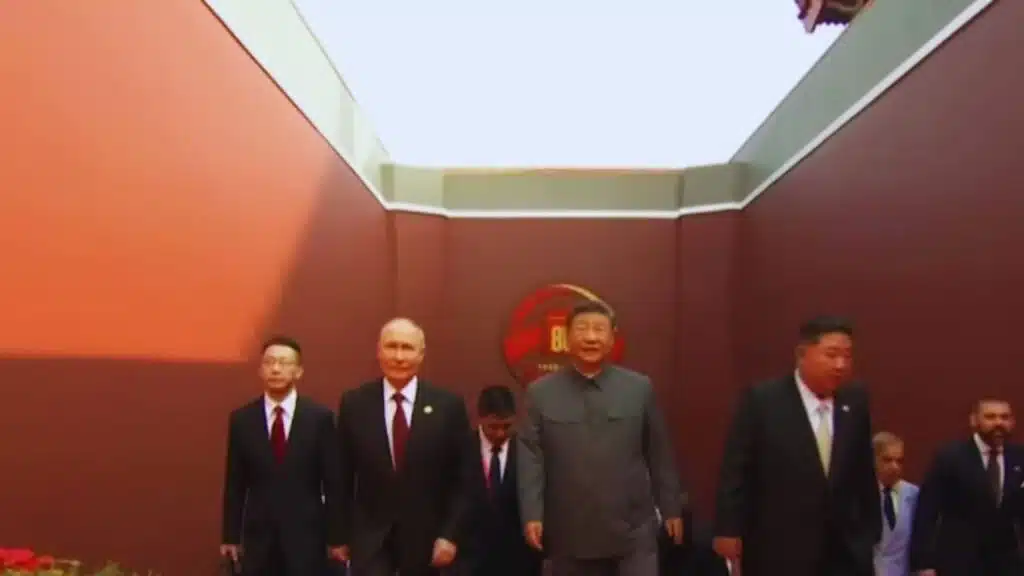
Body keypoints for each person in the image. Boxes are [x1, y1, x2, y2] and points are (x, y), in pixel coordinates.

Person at [517, 299, 685, 576]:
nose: (591, 337)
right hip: (570, 531)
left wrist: (671, 507)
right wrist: (532, 514)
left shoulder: (638, 387)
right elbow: (531, 459)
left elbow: (659, 452)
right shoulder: (540, 393)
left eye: (599, 329)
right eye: (582, 329)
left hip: (633, 530)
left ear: (611, 339)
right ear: (566, 337)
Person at [713, 316, 880, 576]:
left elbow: (863, 471)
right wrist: (728, 529)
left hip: (845, 550)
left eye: (847, 356)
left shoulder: (855, 401)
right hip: (779, 546)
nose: (840, 365)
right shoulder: (763, 402)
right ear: (802, 354)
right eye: (831, 355)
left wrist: (871, 531)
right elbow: (736, 470)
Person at [334, 318, 475, 576]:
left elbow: (463, 479)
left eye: (407, 348)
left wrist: (450, 535)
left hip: (427, 540)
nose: (399, 357)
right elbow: (341, 476)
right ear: (378, 351)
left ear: (421, 354)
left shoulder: (447, 406)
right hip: (370, 538)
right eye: (391, 346)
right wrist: (338, 535)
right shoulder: (355, 403)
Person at [220, 336, 345, 576]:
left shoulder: (319, 418)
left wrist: (337, 538)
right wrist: (230, 536)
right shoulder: (242, 419)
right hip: (259, 537)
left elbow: (333, 483)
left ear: (298, 371)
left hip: (307, 536)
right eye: (269, 362)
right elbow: (235, 483)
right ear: (260, 369)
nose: (276, 369)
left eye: (284, 363)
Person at [910, 399, 1024, 576]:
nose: (998, 423)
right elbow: (927, 511)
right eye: (990, 417)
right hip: (960, 561)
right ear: (974, 421)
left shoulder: (1019, 458)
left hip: (1006, 563)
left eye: (1004, 417)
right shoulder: (950, 457)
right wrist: (923, 563)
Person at [462, 385, 542, 576]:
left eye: (506, 426)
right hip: (470, 559)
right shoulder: (460, 448)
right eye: (493, 427)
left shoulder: (528, 451)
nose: (500, 433)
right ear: (480, 419)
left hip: (520, 560)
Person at [872, 432, 918, 576]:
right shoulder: (860, 496)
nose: (895, 467)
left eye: (899, 461)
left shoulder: (914, 494)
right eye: (887, 460)